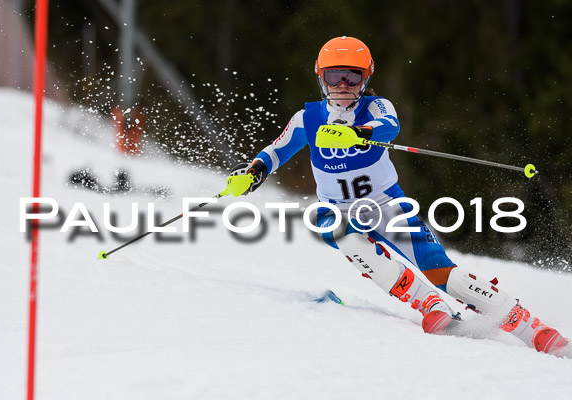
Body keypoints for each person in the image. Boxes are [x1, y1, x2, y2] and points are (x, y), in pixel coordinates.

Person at [229, 36, 569, 356]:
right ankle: (430, 306)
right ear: (321, 77)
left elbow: (389, 125)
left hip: (387, 205)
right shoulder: (308, 118)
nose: (343, 85)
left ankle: (531, 327)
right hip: (337, 209)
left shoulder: (376, 106)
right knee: (338, 233)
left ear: (366, 77)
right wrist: (254, 172)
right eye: (335, 76)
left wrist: (357, 133)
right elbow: (277, 150)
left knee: (440, 272)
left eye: (353, 76)